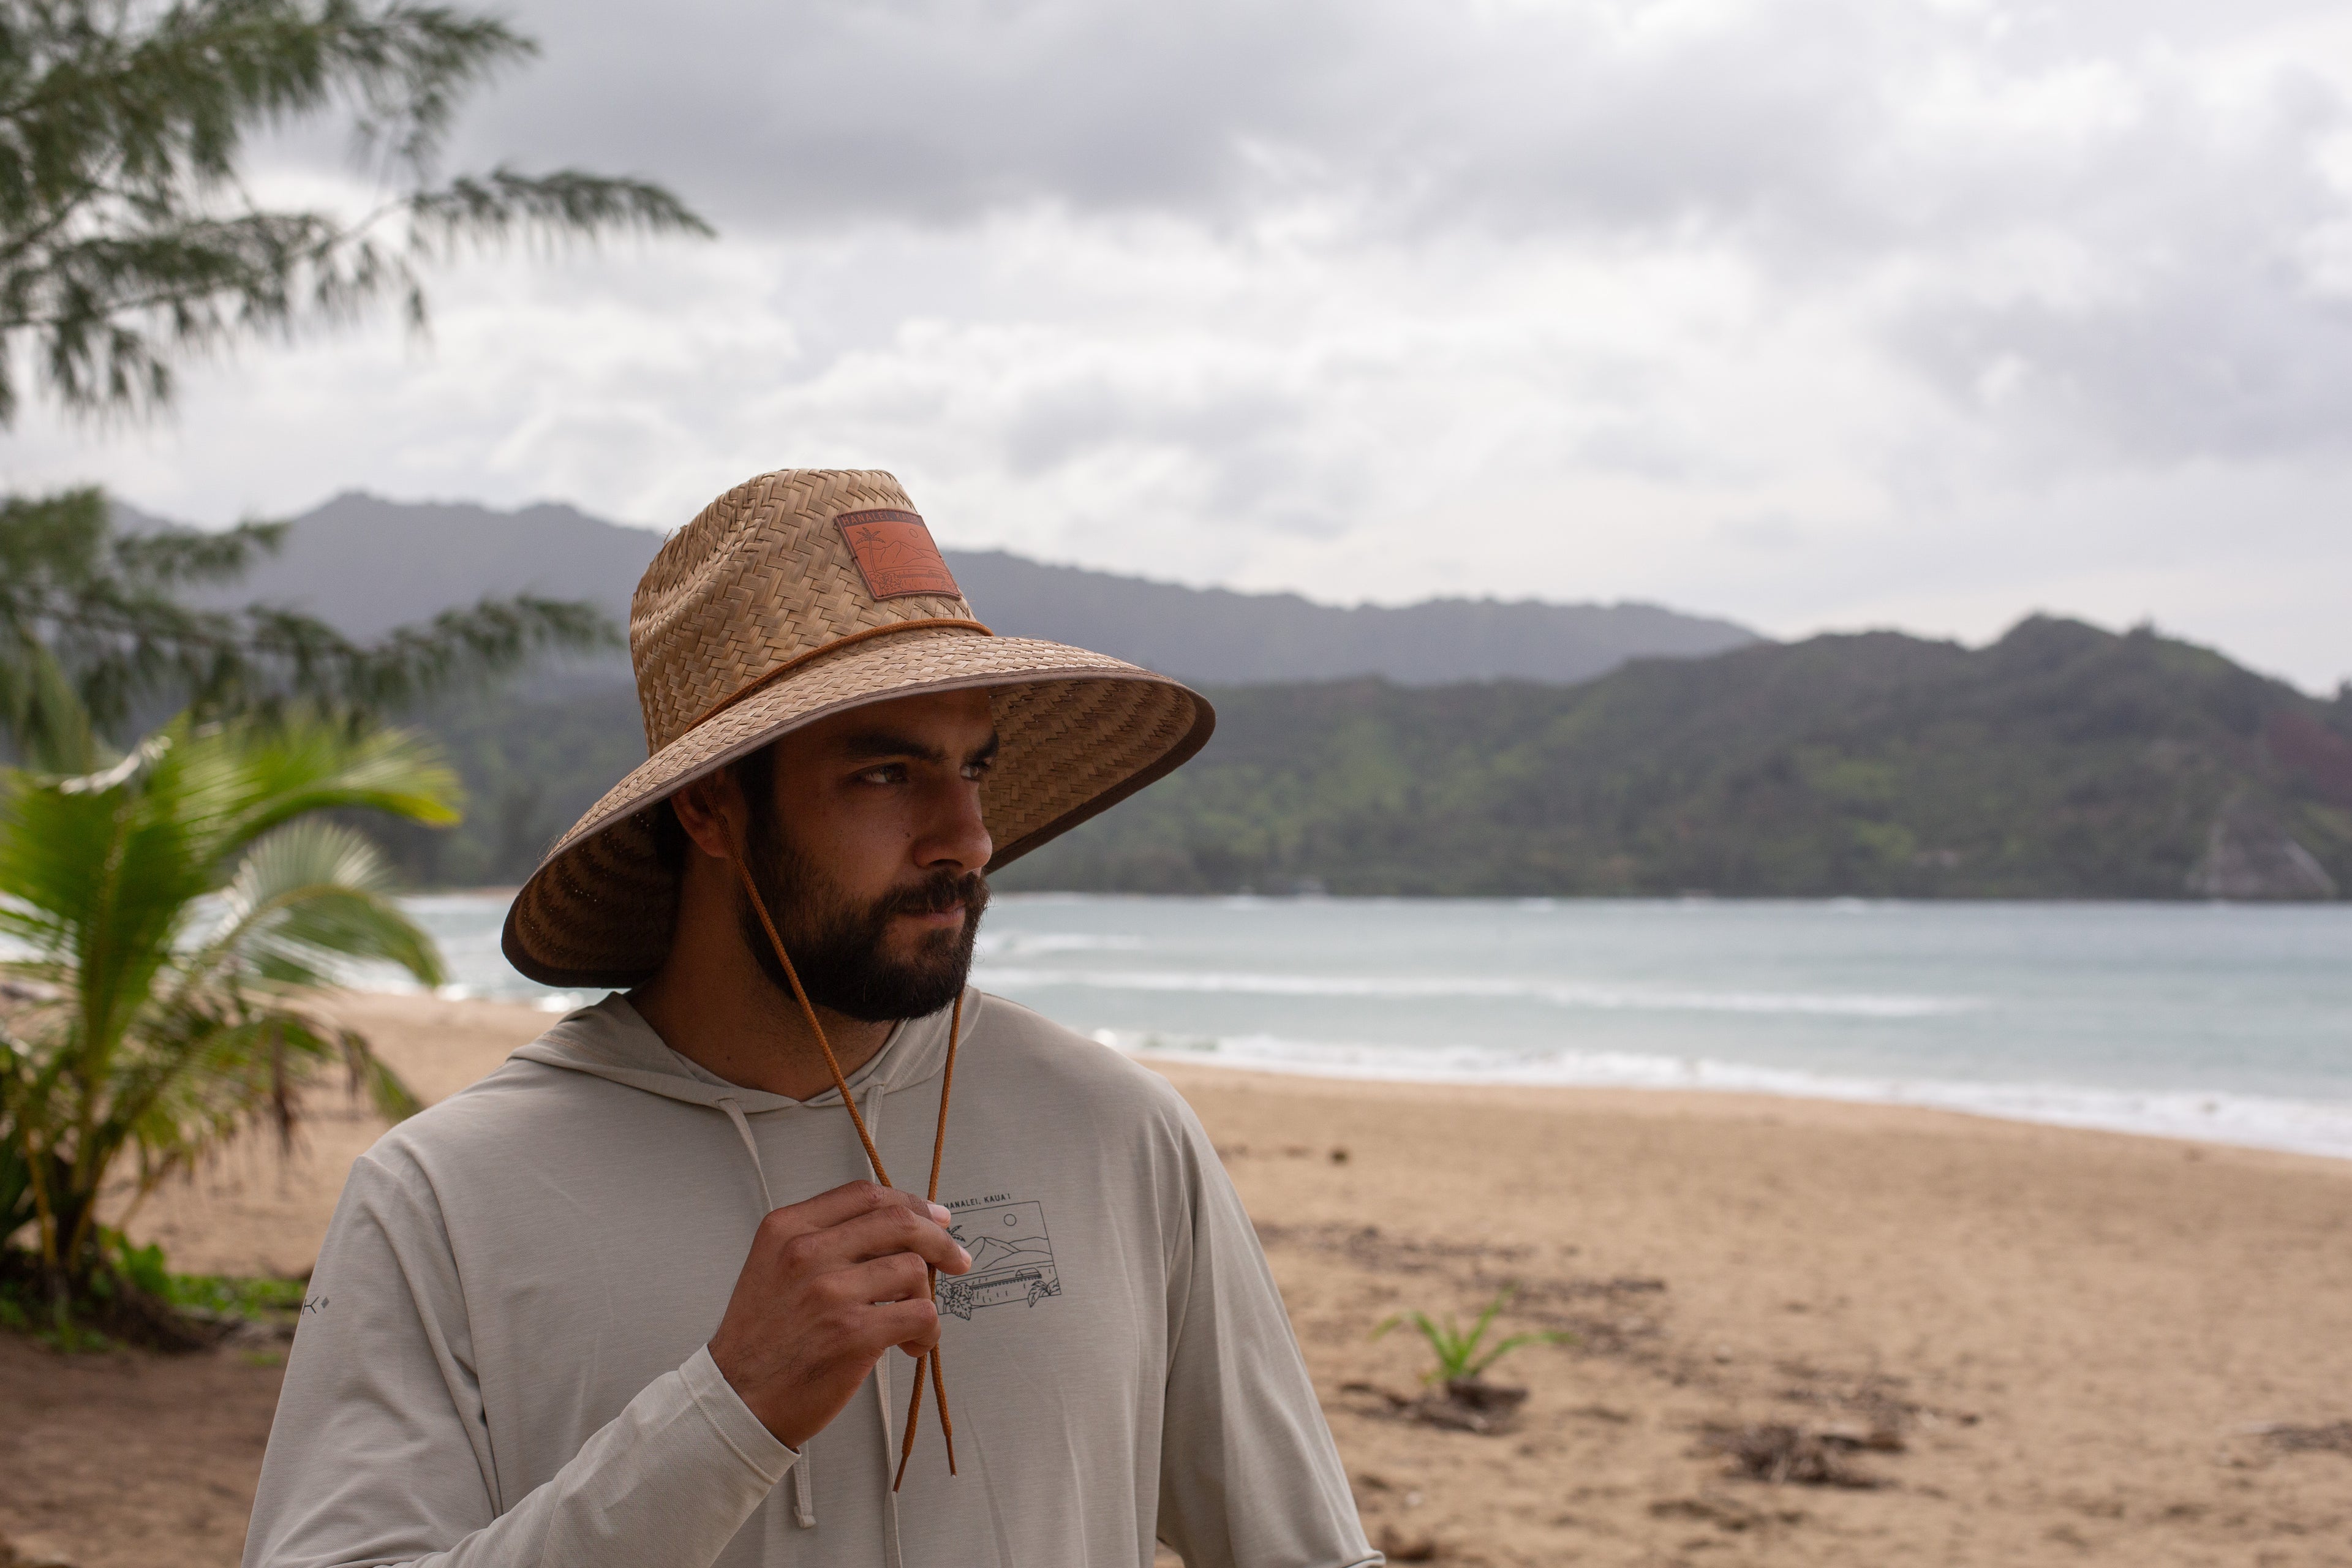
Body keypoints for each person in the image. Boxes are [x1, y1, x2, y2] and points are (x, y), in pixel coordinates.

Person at [243, 470, 1380, 1568]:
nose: (967, 839)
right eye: (886, 774)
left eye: (972, 770)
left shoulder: (1117, 1131)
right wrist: (726, 1408)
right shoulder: (448, 1198)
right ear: (710, 805)